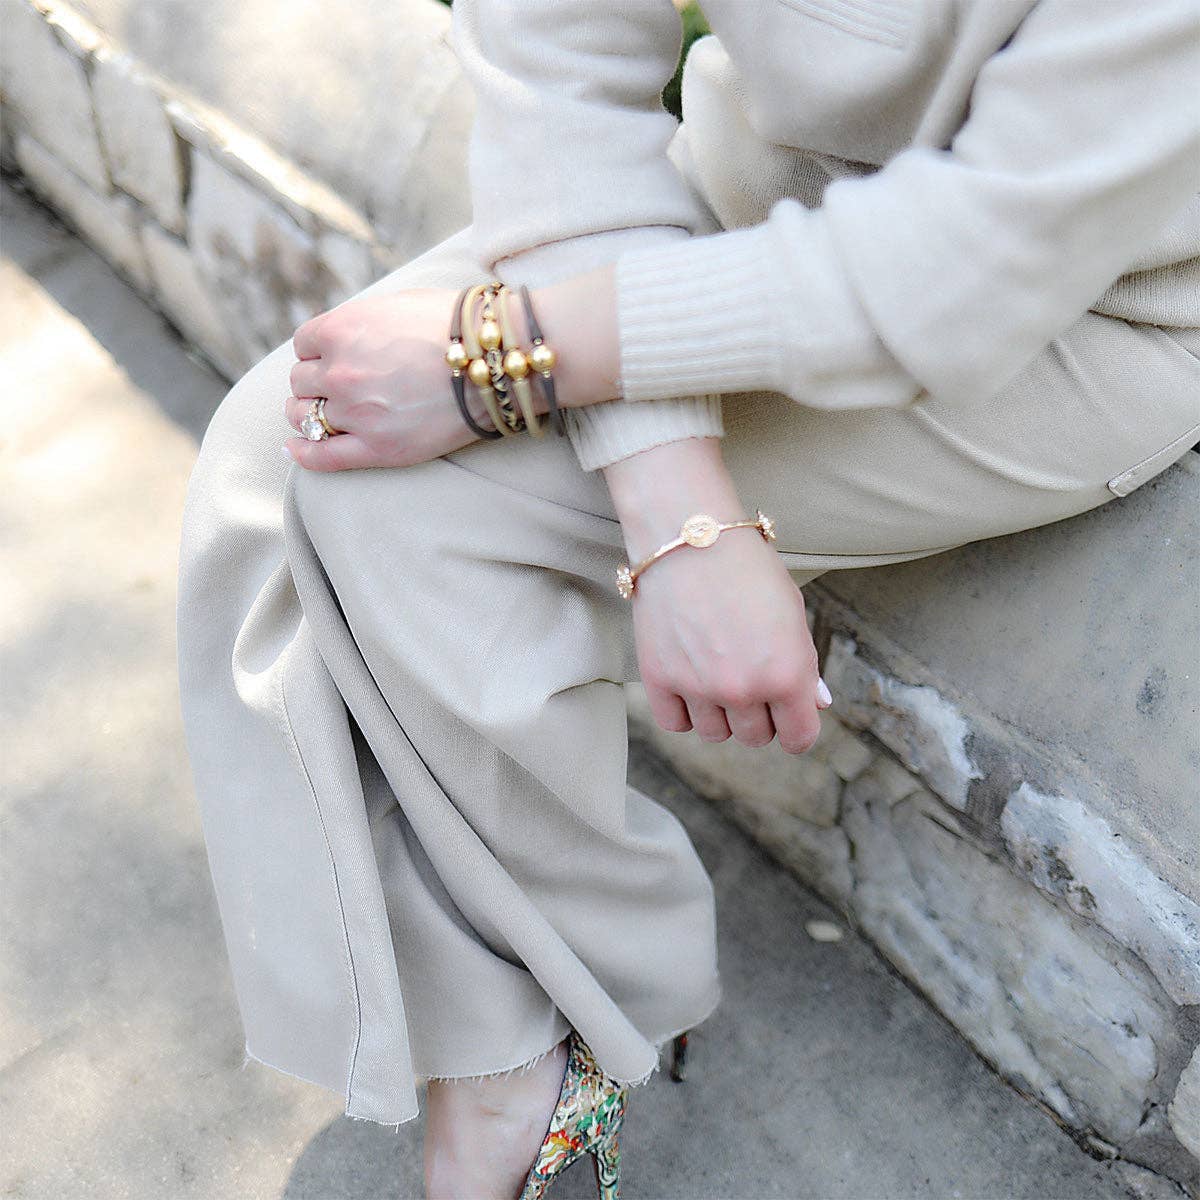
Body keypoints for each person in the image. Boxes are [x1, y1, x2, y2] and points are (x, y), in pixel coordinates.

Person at [176, 1, 1200, 1196]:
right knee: (275, 454)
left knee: (395, 512)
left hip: (1069, 304)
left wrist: (498, 361)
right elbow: (554, 45)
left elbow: (963, 264)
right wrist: (671, 502)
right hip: (747, 186)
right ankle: (509, 1033)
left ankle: (542, 1041)